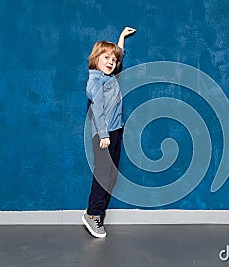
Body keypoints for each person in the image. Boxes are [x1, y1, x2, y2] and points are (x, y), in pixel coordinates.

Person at [83, 26, 136, 238]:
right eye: (106, 58)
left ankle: (98, 214)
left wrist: (121, 39)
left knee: (111, 176)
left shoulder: (109, 77)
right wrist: (104, 135)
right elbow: (97, 110)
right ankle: (93, 214)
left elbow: (118, 57)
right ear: (96, 59)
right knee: (103, 175)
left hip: (115, 132)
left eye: (113, 60)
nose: (111, 62)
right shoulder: (95, 81)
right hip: (103, 135)